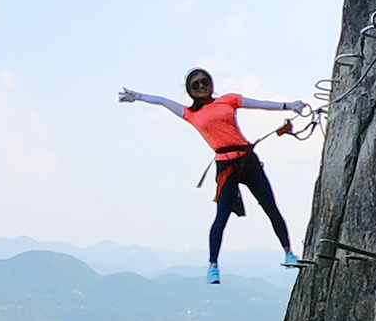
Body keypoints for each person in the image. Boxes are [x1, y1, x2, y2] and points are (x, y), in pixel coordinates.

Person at [120, 69, 306, 282]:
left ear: (211, 83)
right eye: (195, 85)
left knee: (270, 207)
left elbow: (260, 104)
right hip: (226, 166)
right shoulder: (190, 113)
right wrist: (138, 96)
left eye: (204, 81)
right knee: (221, 216)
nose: (201, 86)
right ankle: (213, 265)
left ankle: (288, 252)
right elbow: (163, 101)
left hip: (248, 160)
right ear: (190, 91)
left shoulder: (229, 100)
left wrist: (288, 106)